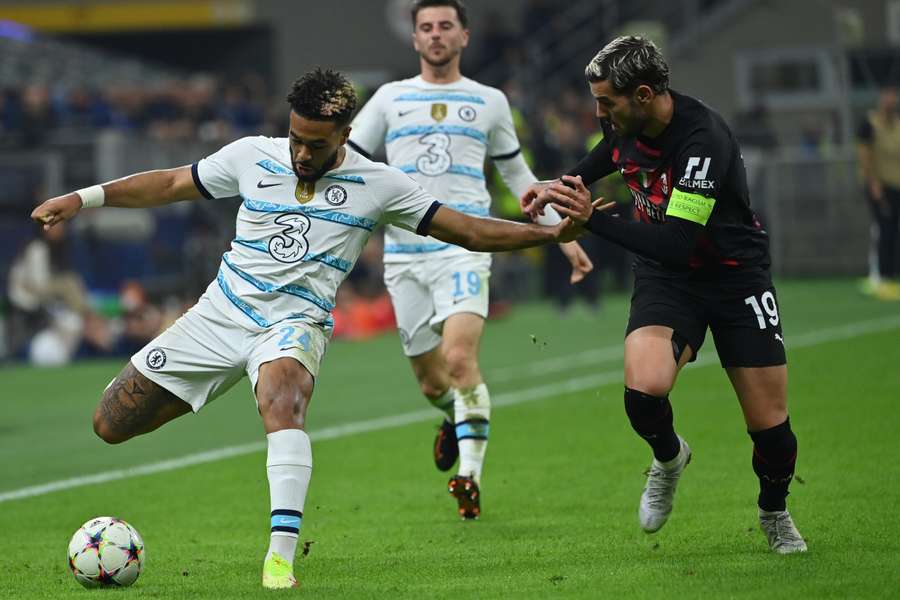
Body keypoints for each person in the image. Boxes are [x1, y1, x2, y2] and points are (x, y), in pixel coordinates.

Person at [31, 68, 573, 589]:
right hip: (218, 315)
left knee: (282, 397)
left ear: (346, 134)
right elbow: (172, 181)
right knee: (110, 423)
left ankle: (278, 560)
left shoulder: (379, 184)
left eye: (316, 144)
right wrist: (84, 198)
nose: (301, 154)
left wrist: (548, 236)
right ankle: (210, 385)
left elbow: (470, 231)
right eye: (296, 138)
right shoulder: (251, 156)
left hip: (294, 322)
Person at [523, 36, 807, 554]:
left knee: (770, 428)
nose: (598, 111)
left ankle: (774, 512)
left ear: (646, 94)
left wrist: (592, 222)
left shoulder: (704, 140)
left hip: (734, 278)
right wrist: (561, 183)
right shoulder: (624, 121)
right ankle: (670, 457)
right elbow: (612, 151)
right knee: (645, 388)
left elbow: (679, 242)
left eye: (607, 102)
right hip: (668, 279)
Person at [347, 0, 592, 520]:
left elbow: (520, 179)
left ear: (465, 36)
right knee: (434, 383)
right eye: (426, 28)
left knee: (460, 359)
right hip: (405, 255)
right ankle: (454, 419)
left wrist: (561, 235)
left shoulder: (489, 102)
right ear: (414, 39)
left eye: (445, 27)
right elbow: (350, 163)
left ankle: (469, 478)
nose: (436, 35)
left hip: (465, 248)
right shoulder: (390, 99)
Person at [857, 86, 900, 301]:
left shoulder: (898, 124)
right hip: (881, 186)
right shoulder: (870, 124)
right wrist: (873, 183)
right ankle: (884, 277)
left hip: (897, 184)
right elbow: (865, 155)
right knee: (886, 229)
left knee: (895, 231)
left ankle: (892, 274)